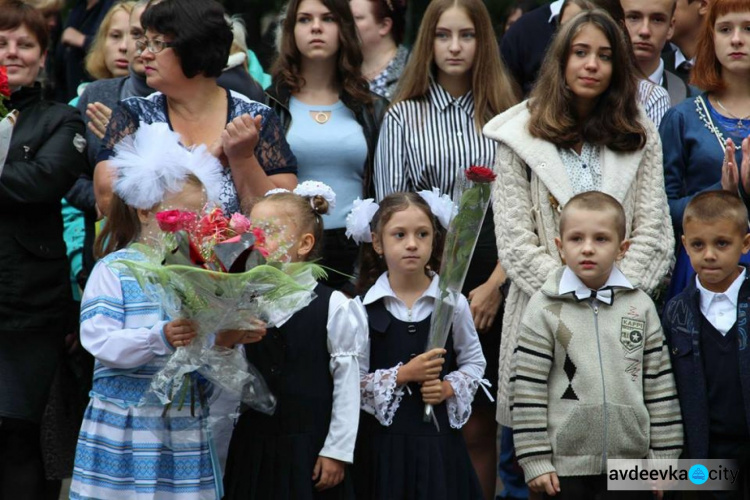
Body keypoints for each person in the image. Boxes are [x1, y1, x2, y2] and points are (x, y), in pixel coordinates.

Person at [485, 8, 673, 431]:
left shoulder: (640, 133)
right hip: (544, 322)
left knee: (619, 464)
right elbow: (516, 244)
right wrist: (574, 299)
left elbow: (655, 236)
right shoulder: (518, 132)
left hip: (622, 321)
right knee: (540, 468)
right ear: (560, 60)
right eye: (581, 52)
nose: (592, 64)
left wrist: (611, 299)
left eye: (605, 56)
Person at [373, 0, 517, 496]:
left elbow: (524, 214)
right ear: (427, 43)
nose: (455, 47)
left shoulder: (507, 116)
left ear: (484, 43)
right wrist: (434, 286)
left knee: (480, 420)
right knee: (422, 413)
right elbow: (393, 210)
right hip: (425, 273)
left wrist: (495, 285)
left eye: (467, 36)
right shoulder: (402, 116)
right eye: (443, 35)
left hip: (497, 271)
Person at [70, 122, 257, 499]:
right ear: (143, 210)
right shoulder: (115, 269)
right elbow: (98, 338)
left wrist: (227, 339)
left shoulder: (204, 277)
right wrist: (159, 336)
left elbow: (203, 352)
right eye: (181, 215)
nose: (193, 226)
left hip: (182, 424)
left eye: (199, 216)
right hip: (127, 423)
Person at [511, 191, 683, 500]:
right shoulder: (545, 307)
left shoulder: (639, 306)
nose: (588, 248)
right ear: (561, 248)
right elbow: (527, 387)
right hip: (565, 468)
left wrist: (665, 459)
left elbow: (658, 384)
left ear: (622, 248)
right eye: (576, 239)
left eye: (601, 239)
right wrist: (534, 459)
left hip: (632, 467)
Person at [223, 185, 366, 500]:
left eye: (270, 231)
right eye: (253, 231)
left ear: (305, 244)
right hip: (254, 447)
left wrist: (337, 451)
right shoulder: (245, 303)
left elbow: (346, 383)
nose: (258, 240)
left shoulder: (333, 305)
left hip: (311, 450)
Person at [93, 0, 297, 218]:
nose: (144, 55)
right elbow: (107, 201)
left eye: (158, 44)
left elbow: (283, 217)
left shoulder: (256, 117)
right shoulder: (133, 114)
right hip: (153, 252)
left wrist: (243, 159)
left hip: (240, 253)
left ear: (195, 48)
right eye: (145, 43)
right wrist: (204, 162)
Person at [0, 2, 87, 497]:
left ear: (42, 56)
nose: (13, 52)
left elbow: (41, 183)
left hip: (26, 305)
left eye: (25, 44)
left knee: (18, 432)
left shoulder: (62, 119)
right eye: (3, 41)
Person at [350, 192, 488, 500]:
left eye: (422, 234)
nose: (412, 244)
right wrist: (403, 375)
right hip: (384, 451)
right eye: (399, 234)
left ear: (434, 240)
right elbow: (351, 380)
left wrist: (447, 389)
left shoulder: (453, 303)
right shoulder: (361, 309)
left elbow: (475, 363)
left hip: (438, 447)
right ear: (377, 242)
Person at [266, 0, 388, 292]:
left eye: (328, 18)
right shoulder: (271, 104)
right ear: (291, 31)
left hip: (358, 253)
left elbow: (386, 187)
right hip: (289, 249)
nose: (316, 27)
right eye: (305, 20)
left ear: (343, 28)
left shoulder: (373, 108)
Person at [659, 0, 750, 300]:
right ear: (711, 38)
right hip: (701, 268)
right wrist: (720, 192)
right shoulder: (682, 118)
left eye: (748, 28)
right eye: (725, 29)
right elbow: (662, 208)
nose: (737, 38)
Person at [662, 191, 750, 500]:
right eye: (698, 245)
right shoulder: (675, 313)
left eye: (722, 243)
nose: (709, 255)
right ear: (684, 245)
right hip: (704, 456)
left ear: (745, 244)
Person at [621, 0, 690, 106]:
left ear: (670, 27)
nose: (645, 31)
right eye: (634, 17)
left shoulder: (690, 99)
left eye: (657, 20)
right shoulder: (595, 89)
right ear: (618, 22)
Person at [53, 0, 116, 102]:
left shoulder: (112, 6)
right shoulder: (78, 8)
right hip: (69, 95)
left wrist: (83, 40)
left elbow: (118, 47)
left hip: (97, 96)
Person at [349, 0, 409, 99]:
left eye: (357, 18)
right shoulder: (345, 69)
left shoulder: (412, 70)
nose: (347, 24)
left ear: (384, 26)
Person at [83, 1, 133, 84]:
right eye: (115, 36)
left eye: (134, 37)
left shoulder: (159, 95)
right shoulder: (89, 95)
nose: (123, 47)